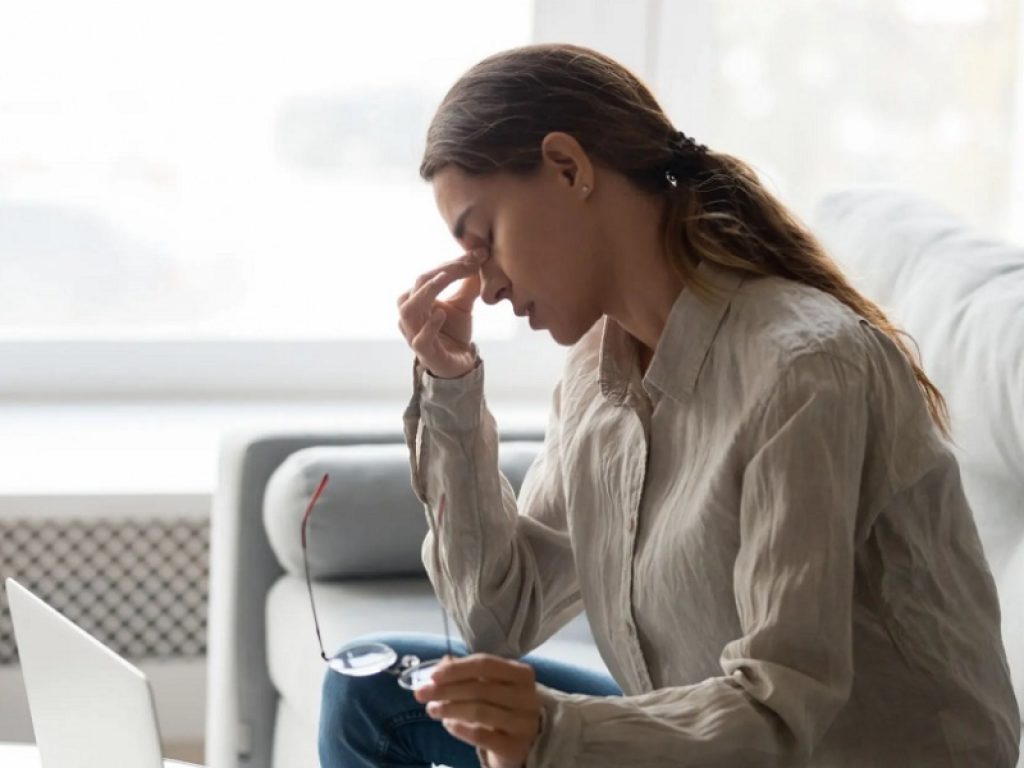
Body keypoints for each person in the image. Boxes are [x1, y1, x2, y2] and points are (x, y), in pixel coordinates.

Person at [318, 42, 1020, 768]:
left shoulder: (805, 369)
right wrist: (451, 389)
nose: (486, 286)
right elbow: (499, 613)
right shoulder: (597, 374)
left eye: (485, 240)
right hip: (703, 747)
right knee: (371, 696)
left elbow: (781, 710)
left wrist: (556, 735)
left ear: (568, 168)